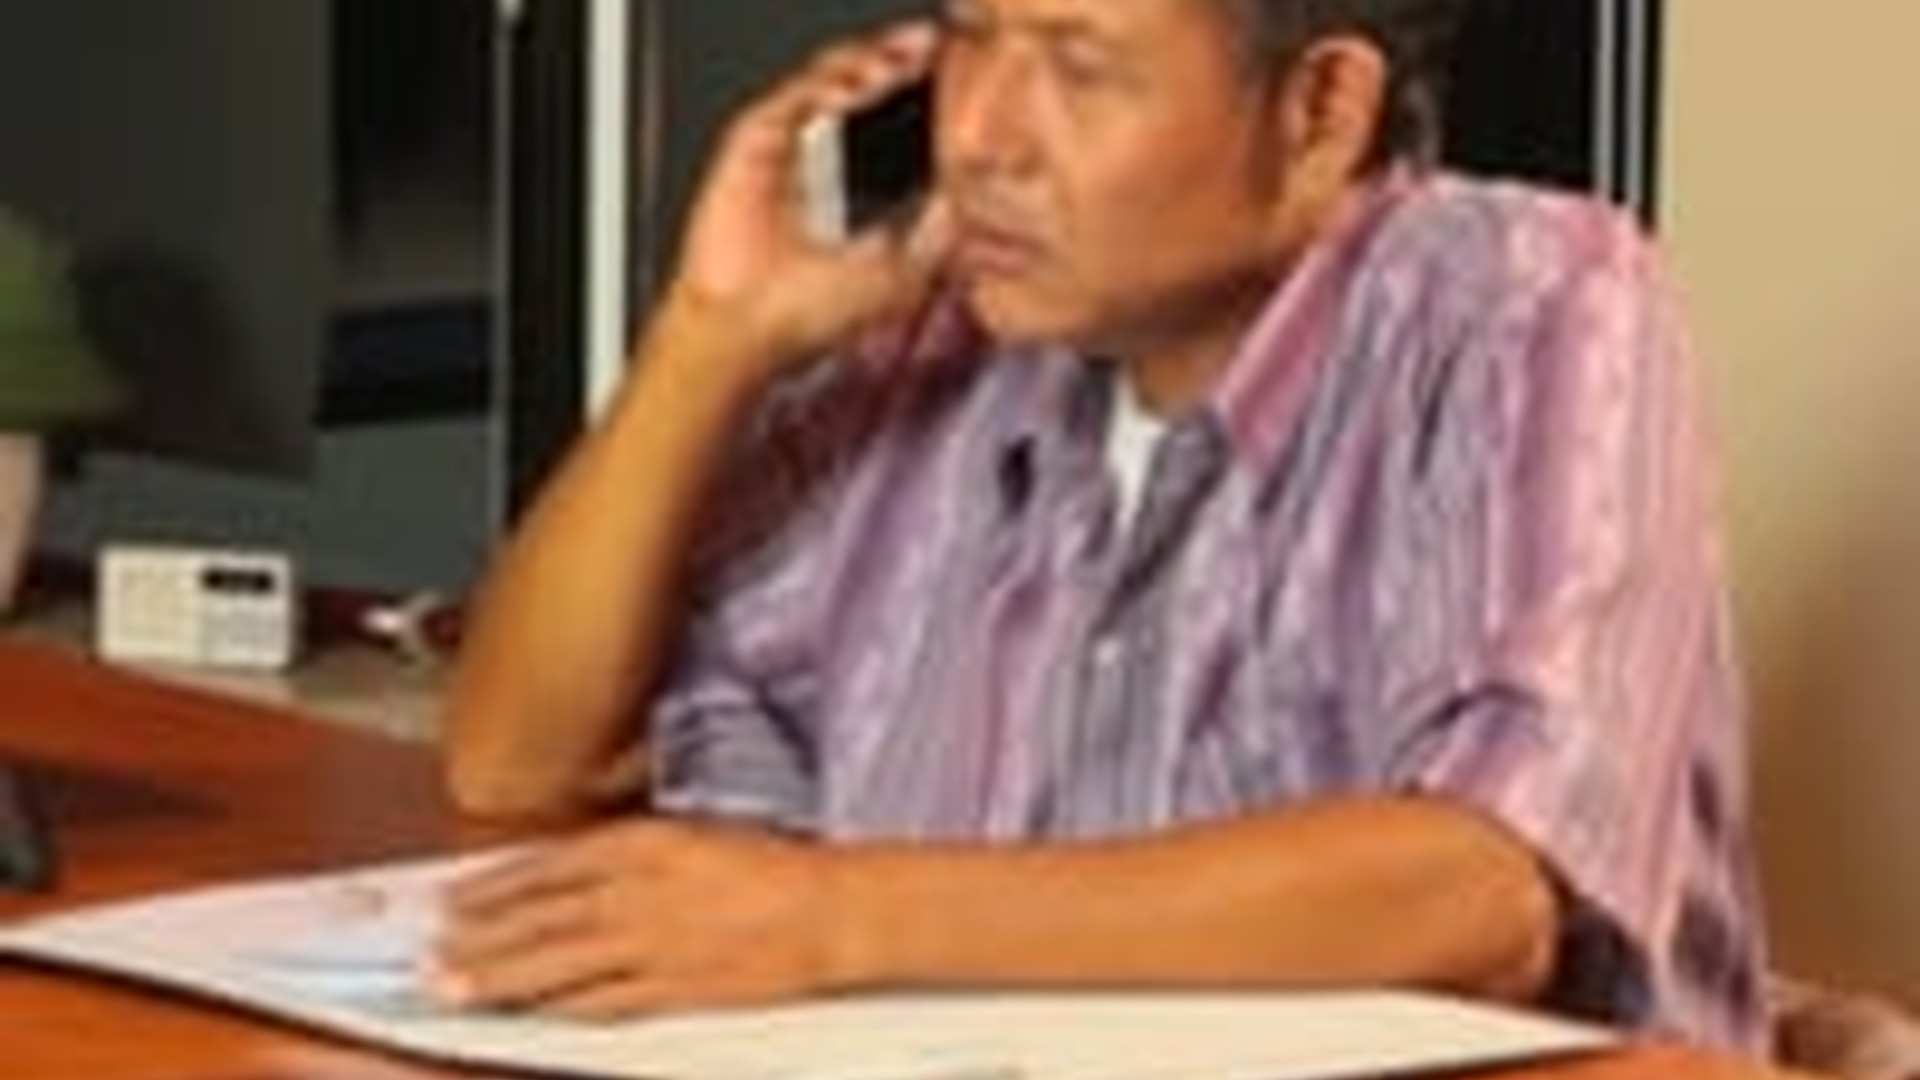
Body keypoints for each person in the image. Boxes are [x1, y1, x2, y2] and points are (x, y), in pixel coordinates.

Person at [434, 0, 1768, 1055]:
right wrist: (707, 343)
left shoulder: (1531, 301)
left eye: (1080, 66)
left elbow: (1484, 890)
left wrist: (837, 917)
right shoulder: (936, 342)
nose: (978, 139)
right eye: (970, 37)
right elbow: (519, 759)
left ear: (1320, 111)